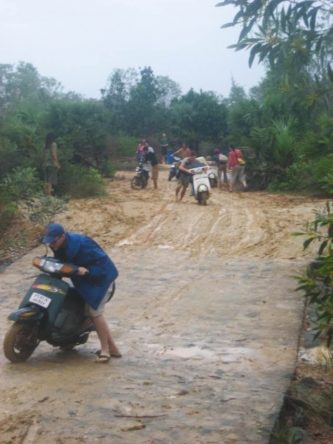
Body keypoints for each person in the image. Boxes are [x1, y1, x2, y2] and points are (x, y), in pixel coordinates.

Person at [42, 223, 121, 363]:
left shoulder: (82, 243)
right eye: (49, 242)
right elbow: (61, 264)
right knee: (88, 310)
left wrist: (88, 272)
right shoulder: (58, 246)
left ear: (62, 236)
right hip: (85, 281)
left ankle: (105, 350)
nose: (52, 245)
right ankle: (113, 348)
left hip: (101, 280)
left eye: (54, 241)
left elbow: (102, 263)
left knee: (94, 312)